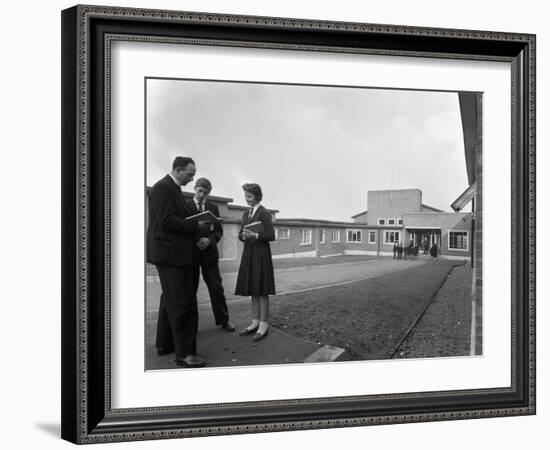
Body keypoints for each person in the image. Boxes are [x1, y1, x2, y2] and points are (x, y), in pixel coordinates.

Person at [146, 156, 207, 368]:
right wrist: (196, 227)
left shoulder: (172, 189)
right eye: (190, 174)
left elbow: (173, 217)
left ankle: (164, 344)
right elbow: (167, 221)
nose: (192, 179)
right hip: (172, 256)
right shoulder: (163, 188)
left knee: (169, 301)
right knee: (182, 303)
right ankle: (185, 354)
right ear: (178, 170)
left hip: (172, 254)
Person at [188, 177, 235, 332]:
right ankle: (191, 326)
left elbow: (219, 231)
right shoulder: (185, 205)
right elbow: (181, 229)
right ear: (194, 188)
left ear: (209, 193)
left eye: (205, 193)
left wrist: (209, 240)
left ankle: (224, 320)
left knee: (216, 288)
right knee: (190, 290)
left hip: (209, 254)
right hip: (191, 254)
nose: (202, 195)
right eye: (200, 191)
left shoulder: (213, 208)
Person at [234, 183, 276, 341]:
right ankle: (255, 322)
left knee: (262, 290)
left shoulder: (264, 213)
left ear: (257, 196)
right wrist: (243, 236)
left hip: (260, 254)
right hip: (249, 253)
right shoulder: (246, 214)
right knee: (253, 288)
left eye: (249, 197)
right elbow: (240, 234)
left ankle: (264, 324)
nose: (247, 199)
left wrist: (256, 236)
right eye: (245, 196)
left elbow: (271, 235)